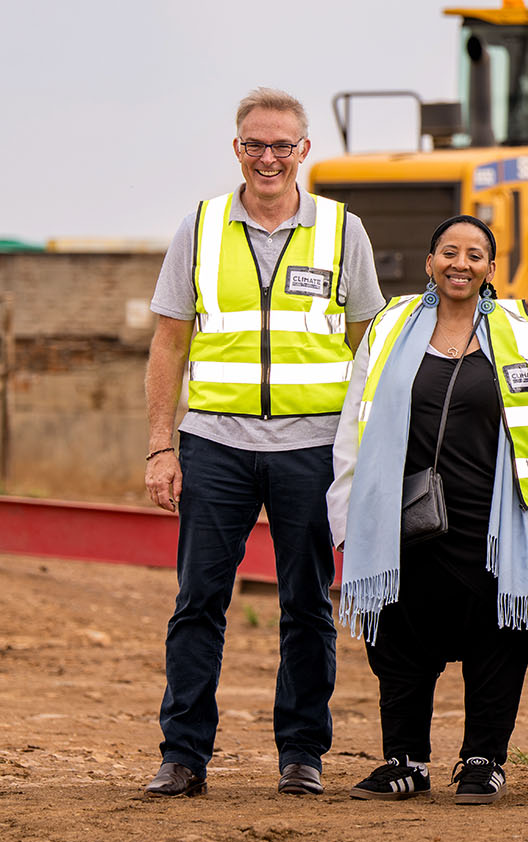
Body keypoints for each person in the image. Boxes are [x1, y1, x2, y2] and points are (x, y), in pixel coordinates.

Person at [140, 88, 385, 799]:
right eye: (255, 144)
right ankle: (183, 754)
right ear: (237, 148)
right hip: (214, 443)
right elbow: (169, 342)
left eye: (282, 145)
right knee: (198, 600)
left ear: (305, 150)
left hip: (311, 448)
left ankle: (302, 753)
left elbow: (369, 341)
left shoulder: (344, 230)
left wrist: (358, 443)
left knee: (307, 601)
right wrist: (162, 446)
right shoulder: (203, 225)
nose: (268, 158)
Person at [327, 215, 528, 803]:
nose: (460, 264)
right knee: (398, 636)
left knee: (501, 633)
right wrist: (346, 515)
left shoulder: (521, 332)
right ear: (429, 262)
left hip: (496, 518)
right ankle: (405, 761)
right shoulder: (389, 326)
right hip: (402, 516)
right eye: (449, 252)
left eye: (475, 255)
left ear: (492, 268)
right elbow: (353, 427)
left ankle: (483, 760)